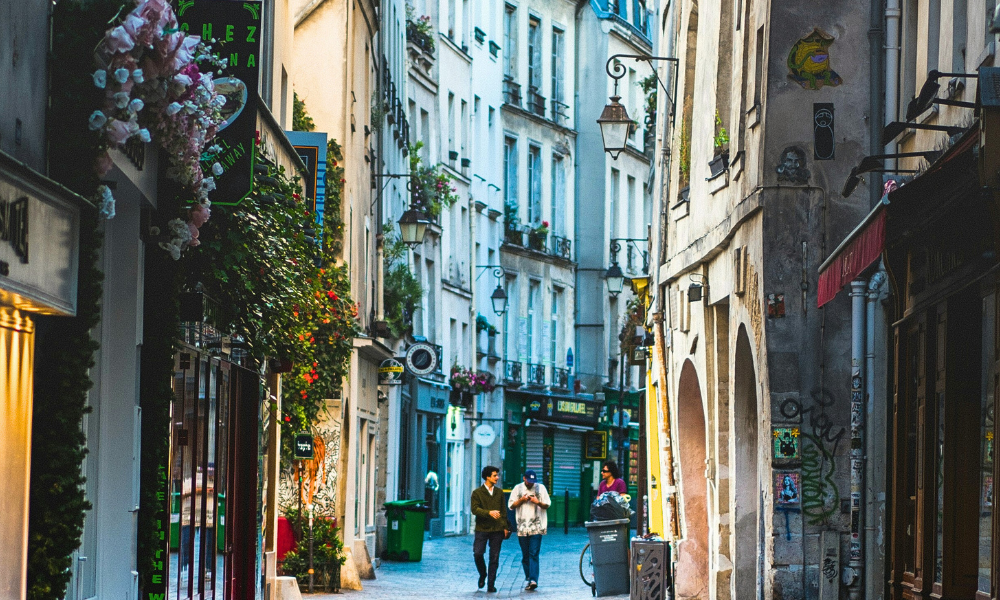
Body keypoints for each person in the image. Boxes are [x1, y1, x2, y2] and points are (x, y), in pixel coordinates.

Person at [508, 470, 551, 591]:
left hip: (537, 527)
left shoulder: (541, 488)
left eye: (533, 481)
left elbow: (547, 504)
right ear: (524, 479)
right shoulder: (517, 488)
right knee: (525, 555)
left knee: (534, 553)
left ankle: (533, 579)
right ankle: (528, 576)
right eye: (529, 481)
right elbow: (511, 506)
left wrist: (537, 502)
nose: (531, 484)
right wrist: (522, 500)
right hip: (522, 527)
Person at [471, 465, 510, 592]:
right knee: (478, 553)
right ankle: (483, 574)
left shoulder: (499, 493)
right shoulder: (477, 493)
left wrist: (505, 527)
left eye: (497, 475)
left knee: (494, 557)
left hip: (497, 529)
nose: (497, 478)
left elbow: (503, 512)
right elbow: (474, 509)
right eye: (495, 475)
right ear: (487, 477)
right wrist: (489, 513)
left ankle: (491, 584)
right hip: (482, 528)